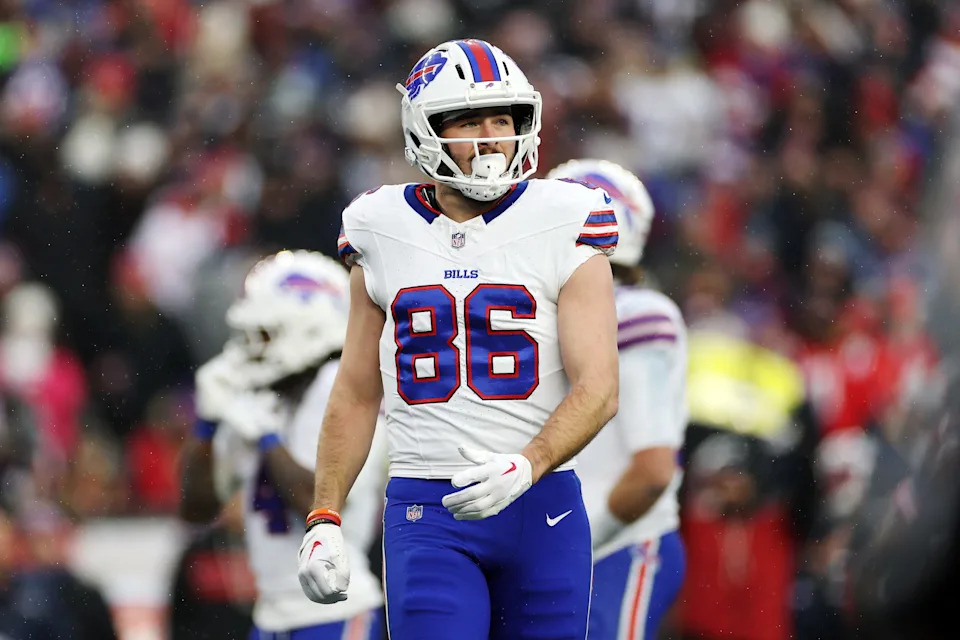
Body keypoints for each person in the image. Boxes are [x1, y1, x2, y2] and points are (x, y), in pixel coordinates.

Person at [296, 39, 620, 640]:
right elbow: (357, 390)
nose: (493, 136)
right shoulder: (379, 227)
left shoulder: (565, 217)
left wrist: (530, 464)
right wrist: (325, 515)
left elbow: (599, 386)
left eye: (504, 118)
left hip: (540, 503)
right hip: (428, 508)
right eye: (470, 120)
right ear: (425, 130)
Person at [180, 250, 385, 640]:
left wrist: (268, 438)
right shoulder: (268, 400)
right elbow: (196, 507)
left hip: (335, 611)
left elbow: (316, 499)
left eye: (267, 333)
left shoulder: (338, 390)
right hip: (272, 616)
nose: (252, 348)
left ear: (308, 326)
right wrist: (206, 426)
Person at [547, 159, 688, 639]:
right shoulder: (555, 312)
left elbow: (651, 471)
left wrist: (577, 545)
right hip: (572, 547)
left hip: (618, 543)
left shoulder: (634, 314)